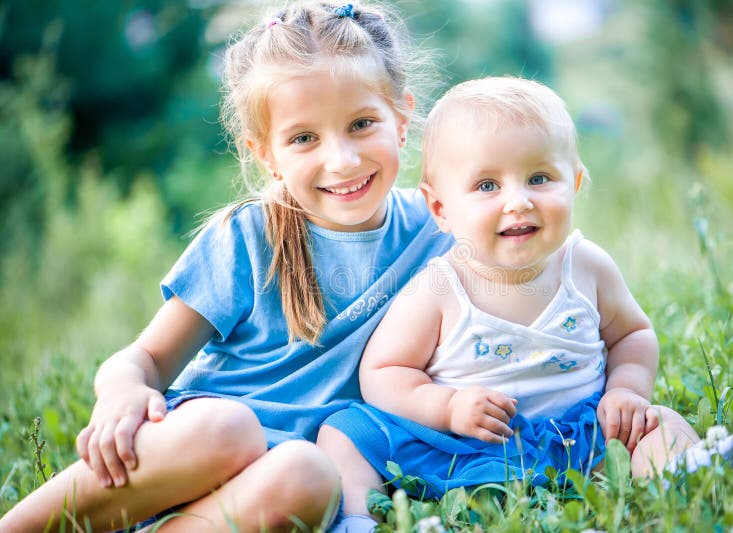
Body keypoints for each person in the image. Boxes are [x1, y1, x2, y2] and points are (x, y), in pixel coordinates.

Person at [0, 2, 454, 531]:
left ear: (402, 119)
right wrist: (123, 390)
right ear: (266, 154)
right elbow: (144, 359)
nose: (343, 160)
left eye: (361, 124)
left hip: (260, 498)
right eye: (304, 138)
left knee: (312, 473)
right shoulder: (248, 237)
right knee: (230, 426)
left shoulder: (440, 231)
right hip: (187, 461)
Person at [318, 76, 707, 528]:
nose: (518, 202)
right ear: (440, 209)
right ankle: (359, 520)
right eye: (487, 186)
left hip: (577, 441)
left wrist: (625, 391)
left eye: (539, 178)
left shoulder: (587, 267)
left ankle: (687, 482)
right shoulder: (440, 288)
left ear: (575, 182)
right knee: (344, 433)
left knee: (659, 423)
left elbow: (633, 335)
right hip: (461, 450)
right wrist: (447, 407)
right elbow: (384, 372)